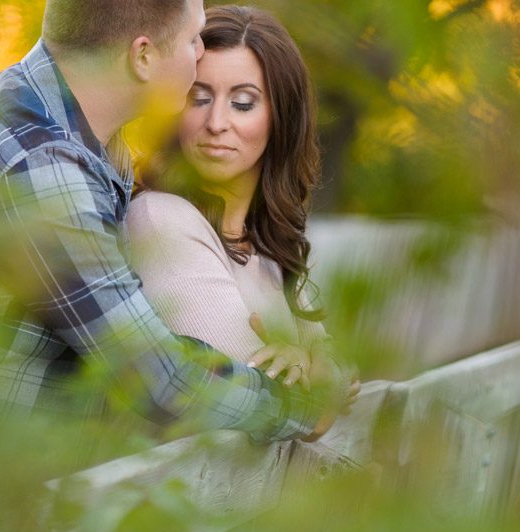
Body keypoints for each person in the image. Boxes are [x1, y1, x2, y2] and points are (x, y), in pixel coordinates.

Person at [0, 0, 344, 442]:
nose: (200, 51)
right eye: (192, 38)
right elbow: (158, 377)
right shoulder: (41, 164)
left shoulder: (77, 133)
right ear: (143, 57)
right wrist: (299, 407)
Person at [127, 5, 358, 421]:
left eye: (243, 103)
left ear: (281, 118)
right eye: (198, 98)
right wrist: (312, 382)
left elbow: (339, 371)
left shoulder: (269, 247)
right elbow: (243, 396)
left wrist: (316, 366)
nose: (216, 122)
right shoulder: (160, 219)